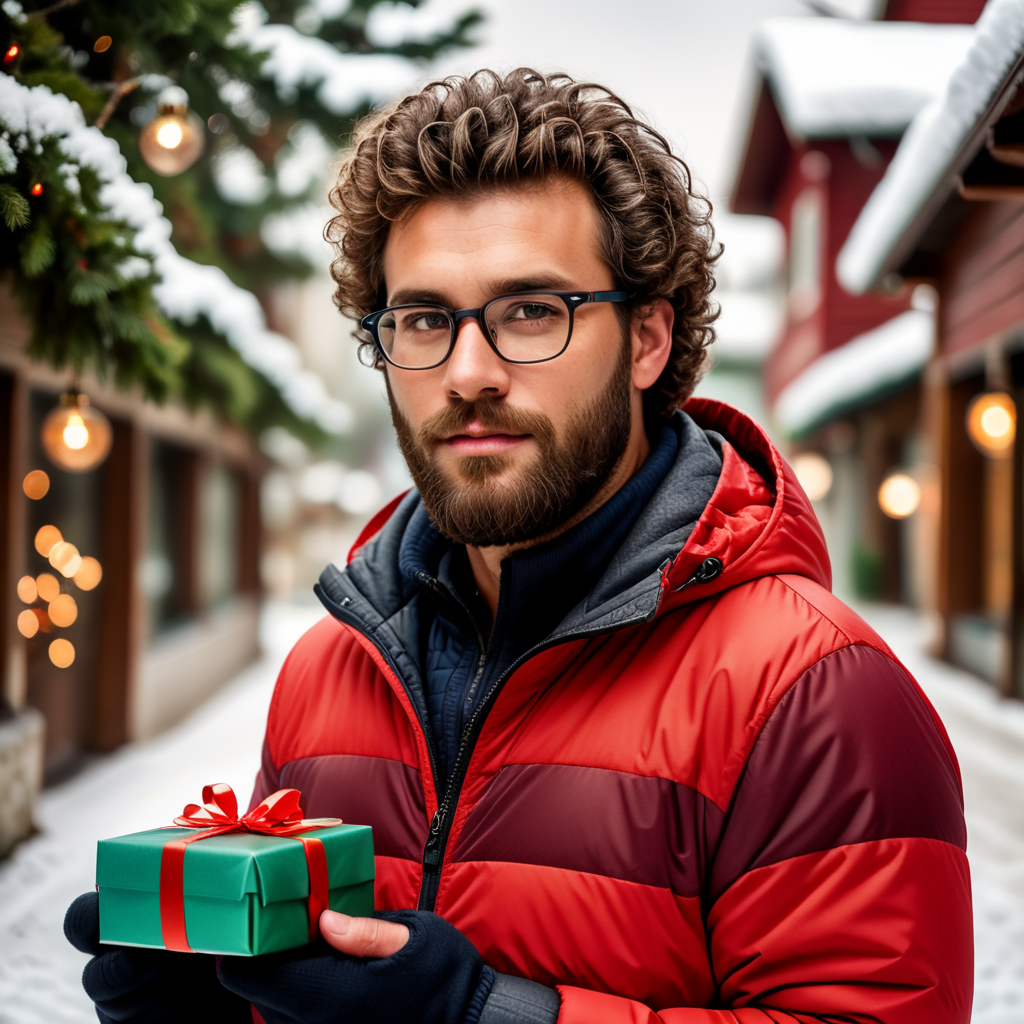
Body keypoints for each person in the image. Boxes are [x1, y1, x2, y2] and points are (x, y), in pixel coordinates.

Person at [66, 68, 972, 1024]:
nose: (468, 373)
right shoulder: (327, 672)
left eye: (531, 312)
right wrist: (212, 1008)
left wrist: (485, 1016)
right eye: (422, 320)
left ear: (648, 340)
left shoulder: (815, 695)